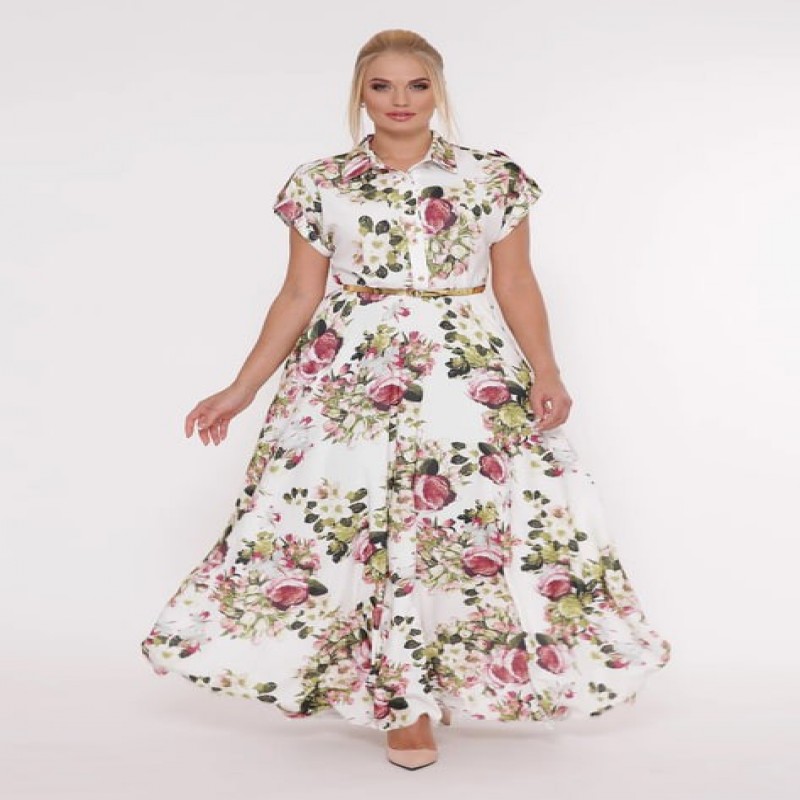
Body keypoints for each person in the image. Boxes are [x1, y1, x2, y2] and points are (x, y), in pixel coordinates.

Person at [140, 28, 671, 771]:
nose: (400, 100)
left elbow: (516, 282)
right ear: (361, 94)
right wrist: (242, 387)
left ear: (437, 92)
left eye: (416, 85)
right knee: (352, 525)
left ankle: (444, 684)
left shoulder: (491, 177)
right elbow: (298, 294)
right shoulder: (321, 181)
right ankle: (403, 704)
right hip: (346, 375)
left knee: (457, 525)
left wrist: (547, 371)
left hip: (465, 368)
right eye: (382, 85)